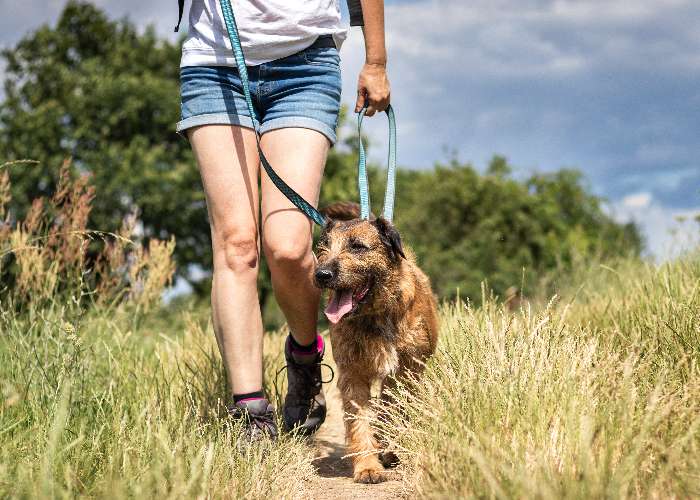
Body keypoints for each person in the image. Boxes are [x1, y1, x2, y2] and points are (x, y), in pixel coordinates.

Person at [176, 0, 391, 443]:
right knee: (237, 245)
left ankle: (305, 357)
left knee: (290, 248)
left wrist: (376, 60)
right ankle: (251, 413)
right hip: (215, 63)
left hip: (306, 63)